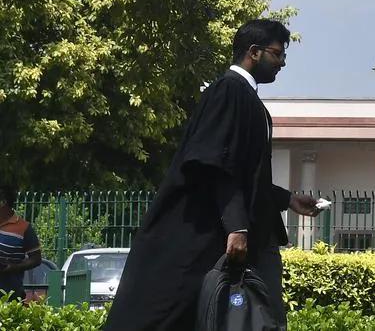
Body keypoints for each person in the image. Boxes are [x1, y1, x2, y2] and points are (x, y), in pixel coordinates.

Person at [105, 19, 322, 330]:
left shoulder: (245, 98)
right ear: (254, 52)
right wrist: (237, 228)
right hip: (205, 235)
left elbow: (242, 174)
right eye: (277, 54)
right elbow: (215, 166)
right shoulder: (228, 92)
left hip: (231, 235)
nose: (282, 63)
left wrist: (287, 199)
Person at [0, 185, 41, 302]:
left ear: (4, 202)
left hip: (10, 295)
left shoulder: (24, 228)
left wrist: (14, 267)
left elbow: (36, 259)